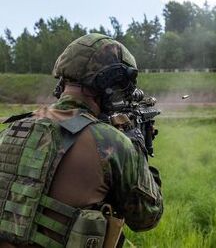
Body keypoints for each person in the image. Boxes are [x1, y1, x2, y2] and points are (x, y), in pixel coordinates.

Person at [0, 33, 163, 248]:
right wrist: (135, 145)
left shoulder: (12, 128)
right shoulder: (111, 143)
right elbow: (147, 217)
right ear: (109, 84)